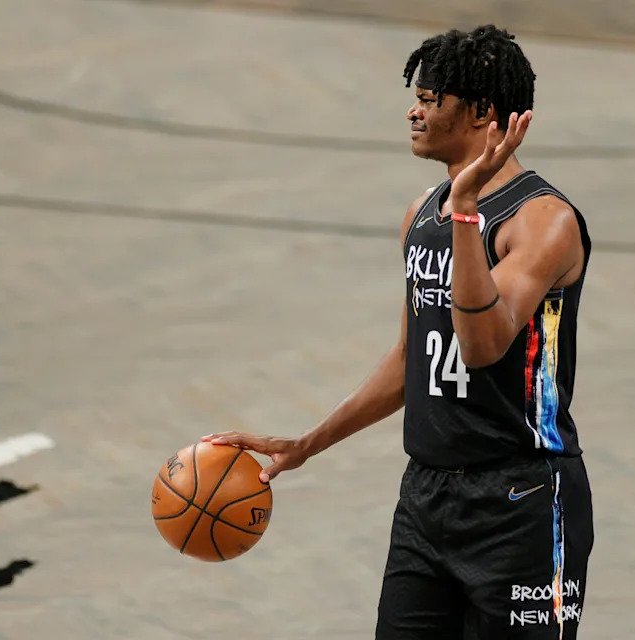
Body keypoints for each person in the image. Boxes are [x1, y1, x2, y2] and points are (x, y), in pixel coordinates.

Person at [202, 24, 594, 639]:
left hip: (522, 500)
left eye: (431, 97)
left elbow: (483, 343)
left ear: (482, 112)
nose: (413, 110)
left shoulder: (544, 220)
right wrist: (308, 443)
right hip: (427, 499)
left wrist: (466, 213)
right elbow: (413, 356)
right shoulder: (423, 213)